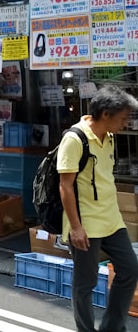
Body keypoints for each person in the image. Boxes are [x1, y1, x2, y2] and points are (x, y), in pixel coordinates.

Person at [59, 84, 138, 332]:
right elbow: (65, 186)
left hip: (111, 220)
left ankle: (112, 328)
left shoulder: (110, 138)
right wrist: (76, 228)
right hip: (85, 224)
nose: (125, 123)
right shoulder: (74, 139)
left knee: (130, 270)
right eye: (123, 118)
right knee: (85, 283)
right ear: (106, 114)